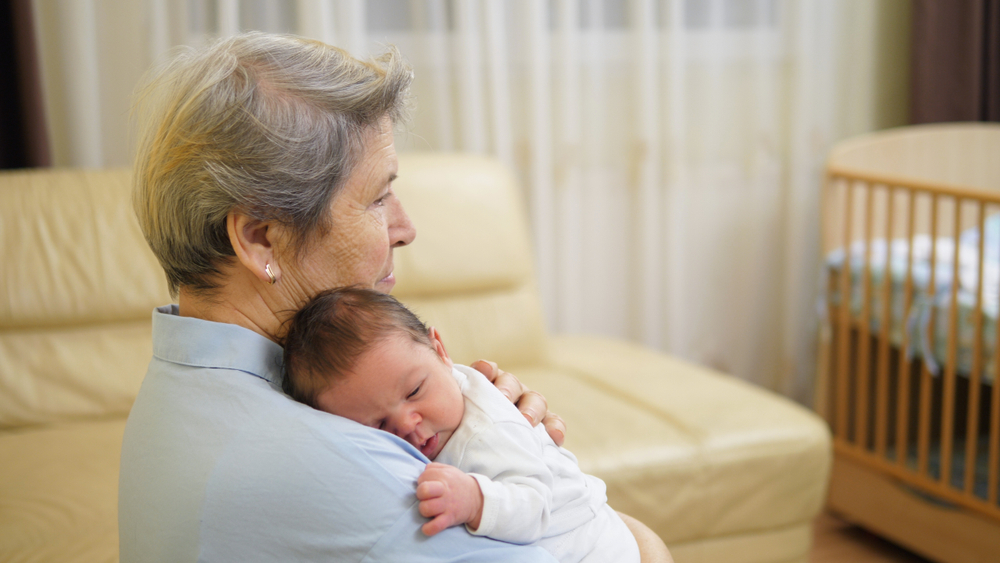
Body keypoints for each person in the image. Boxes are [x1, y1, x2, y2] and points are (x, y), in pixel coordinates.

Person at [119, 31, 567, 562]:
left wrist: (496, 441)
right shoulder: (327, 466)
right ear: (262, 238)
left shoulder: (187, 392)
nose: (405, 229)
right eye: (378, 198)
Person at [282, 287, 642, 563]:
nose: (408, 423)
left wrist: (474, 499)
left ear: (440, 350)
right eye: (376, 423)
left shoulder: (488, 431)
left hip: (592, 546)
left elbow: (534, 507)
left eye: (415, 390)